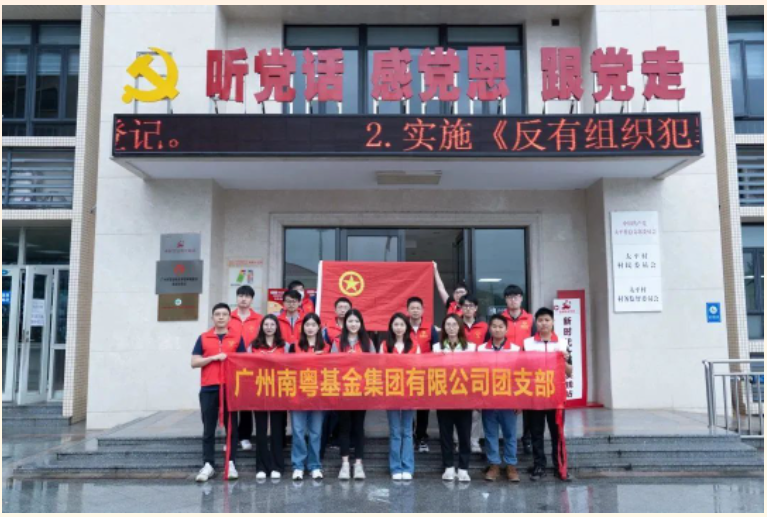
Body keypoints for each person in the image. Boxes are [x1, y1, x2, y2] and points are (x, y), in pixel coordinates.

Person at [191, 303, 246, 482]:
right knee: (208, 428)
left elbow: (244, 362)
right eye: (217, 314)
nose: (221, 317)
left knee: (232, 429)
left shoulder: (237, 338)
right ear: (212, 317)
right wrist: (214, 358)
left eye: (224, 314)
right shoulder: (203, 338)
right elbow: (194, 362)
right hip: (209, 388)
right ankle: (208, 464)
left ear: (230, 318)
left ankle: (231, 463)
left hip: (230, 388)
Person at [523, 307, 573, 482]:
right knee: (536, 434)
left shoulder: (562, 343)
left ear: (552, 322)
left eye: (547, 320)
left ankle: (560, 467)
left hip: (555, 397)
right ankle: (539, 466)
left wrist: (565, 360)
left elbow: (570, 372)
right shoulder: (527, 343)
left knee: (557, 433)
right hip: (535, 396)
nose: (543, 323)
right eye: (540, 320)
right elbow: (521, 369)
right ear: (535, 323)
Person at [477, 314, 522, 482]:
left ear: (506, 329)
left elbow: (520, 375)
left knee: (510, 434)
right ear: (489, 328)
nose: (497, 329)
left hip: (509, 399)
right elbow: (477, 374)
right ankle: (494, 464)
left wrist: (519, 400)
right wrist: (478, 398)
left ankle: (511, 465)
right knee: (490, 434)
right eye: (494, 326)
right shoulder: (481, 349)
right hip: (488, 399)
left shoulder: (515, 349)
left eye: (500, 326)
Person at [432, 314, 477, 482]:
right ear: (444, 328)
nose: (451, 328)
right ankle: (449, 467)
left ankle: (463, 468)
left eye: (454, 324)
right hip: (444, 397)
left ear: (460, 327)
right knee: (446, 434)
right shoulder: (437, 347)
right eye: (448, 325)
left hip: (464, 398)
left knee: (464, 435)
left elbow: (474, 371)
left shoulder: (470, 347)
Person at [330, 308, 374, 480]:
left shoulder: (367, 342)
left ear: (361, 323)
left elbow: (375, 365)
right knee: (344, 428)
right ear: (345, 323)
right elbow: (331, 366)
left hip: (361, 392)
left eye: (356, 321)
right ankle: (345, 464)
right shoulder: (337, 341)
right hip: (343, 391)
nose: (353, 324)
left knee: (358, 427)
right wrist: (345, 360)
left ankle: (359, 464)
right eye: (350, 321)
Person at [379, 313, 419, 480]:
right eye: (396, 324)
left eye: (402, 324)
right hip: (391, 392)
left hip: (409, 392)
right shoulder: (385, 345)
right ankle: (395, 467)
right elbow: (380, 368)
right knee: (395, 431)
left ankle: (408, 467)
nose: (399, 328)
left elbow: (418, 368)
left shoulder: (414, 345)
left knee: (407, 431)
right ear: (391, 327)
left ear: (406, 327)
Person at [288, 313, 327, 481]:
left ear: (319, 327)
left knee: (316, 432)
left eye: (313, 325)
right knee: (298, 431)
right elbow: (287, 368)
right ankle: (298, 466)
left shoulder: (326, 347)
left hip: (318, 395)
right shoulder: (295, 346)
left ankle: (314, 466)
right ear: (303, 327)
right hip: (298, 395)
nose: (310, 328)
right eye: (307, 325)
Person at [250, 315, 288, 480]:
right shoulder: (253, 346)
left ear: (277, 327)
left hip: (279, 391)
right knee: (261, 430)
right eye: (266, 324)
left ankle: (277, 466)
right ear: (262, 327)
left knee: (277, 430)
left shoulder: (285, 345)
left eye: (272, 324)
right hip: (259, 391)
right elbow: (246, 365)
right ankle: (261, 466)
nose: (269, 327)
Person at [501, 284, 536, 455]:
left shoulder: (531, 319)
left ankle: (527, 438)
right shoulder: (500, 319)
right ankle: (507, 437)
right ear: (505, 300)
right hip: (505, 369)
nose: (513, 300)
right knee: (505, 402)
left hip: (526, 368)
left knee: (527, 403)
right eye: (509, 297)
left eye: (516, 297)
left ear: (521, 298)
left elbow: (536, 341)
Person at [228, 285, 263, 453]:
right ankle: (231, 436)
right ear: (236, 298)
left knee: (247, 402)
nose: (243, 299)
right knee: (232, 402)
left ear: (252, 300)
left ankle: (245, 436)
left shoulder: (259, 319)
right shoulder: (228, 317)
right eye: (241, 295)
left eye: (247, 296)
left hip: (252, 366)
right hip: (231, 366)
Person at [406, 296, 439, 454]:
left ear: (423, 310)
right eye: (412, 308)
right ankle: (410, 435)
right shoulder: (402, 326)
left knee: (423, 408)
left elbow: (436, 350)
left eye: (418, 308)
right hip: (406, 374)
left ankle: (421, 436)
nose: (415, 311)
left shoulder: (430, 329)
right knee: (407, 406)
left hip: (425, 375)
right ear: (407, 310)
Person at [459, 294, 488, 454]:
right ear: (461, 308)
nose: (468, 309)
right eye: (465, 306)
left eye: (471, 306)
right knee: (458, 408)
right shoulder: (455, 324)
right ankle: (459, 441)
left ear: (476, 308)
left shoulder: (484, 326)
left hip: (478, 373)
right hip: (459, 374)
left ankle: (474, 441)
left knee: (476, 411)